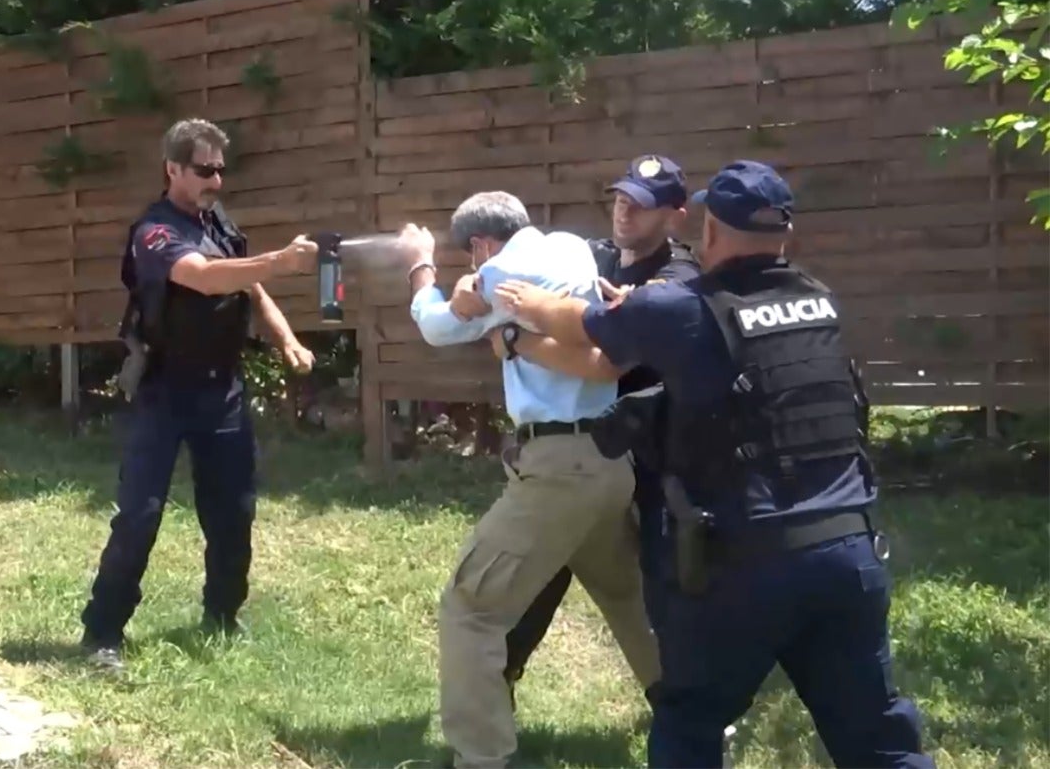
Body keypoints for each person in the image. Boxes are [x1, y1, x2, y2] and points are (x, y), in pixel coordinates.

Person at [491, 160, 933, 769]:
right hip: (848, 557)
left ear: (711, 232)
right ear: (785, 234)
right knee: (879, 741)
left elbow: (576, 325)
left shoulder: (682, 308)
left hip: (745, 564)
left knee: (690, 721)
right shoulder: (820, 303)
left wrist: (524, 305)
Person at [395, 192, 659, 769]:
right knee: (628, 597)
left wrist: (421, 268)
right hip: (609, 464)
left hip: (559, 470)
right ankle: (696, 718)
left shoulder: (502, 271)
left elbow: (439, 327)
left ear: (481, 246)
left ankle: (482, 758)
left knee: (470, 609)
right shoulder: (570, 250)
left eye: (473, 257)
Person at [78, 118, 317, 673]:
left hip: (222, 391)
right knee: (140, 514)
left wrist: (287, 339)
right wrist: (282, 260)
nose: (216, 180)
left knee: (234, 512)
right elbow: (205, 277)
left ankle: (222, 618)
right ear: (173, 169)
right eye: (204, 170)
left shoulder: (217, 221)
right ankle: (103, 632)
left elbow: (247, 284)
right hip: (165, 390)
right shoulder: (155, 232)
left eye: (220, 170)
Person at [488, 155, 698, 689]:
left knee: (659, 584)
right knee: (544, 564)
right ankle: (499, 678)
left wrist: (520, 339)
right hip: (589, 447)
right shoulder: (589, 261)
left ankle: (687, 704)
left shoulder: (681, 278)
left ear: (675, 215)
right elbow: (510, 296)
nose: (624, 213)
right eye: (620, 199)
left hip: (658, 458)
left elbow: (612, 354)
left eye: (642, 206)